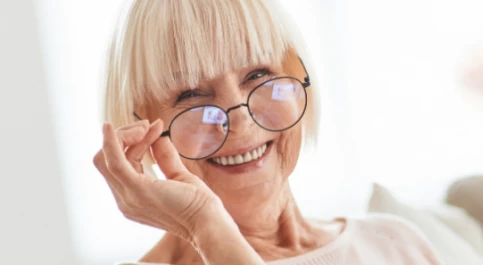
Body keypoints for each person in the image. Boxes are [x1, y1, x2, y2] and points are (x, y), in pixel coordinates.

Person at [92, 0, 441, 264]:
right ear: (143, 129)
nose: (241, 120)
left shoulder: (395, 245)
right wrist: (204, 225)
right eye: (191, 95)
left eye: (258, 75)